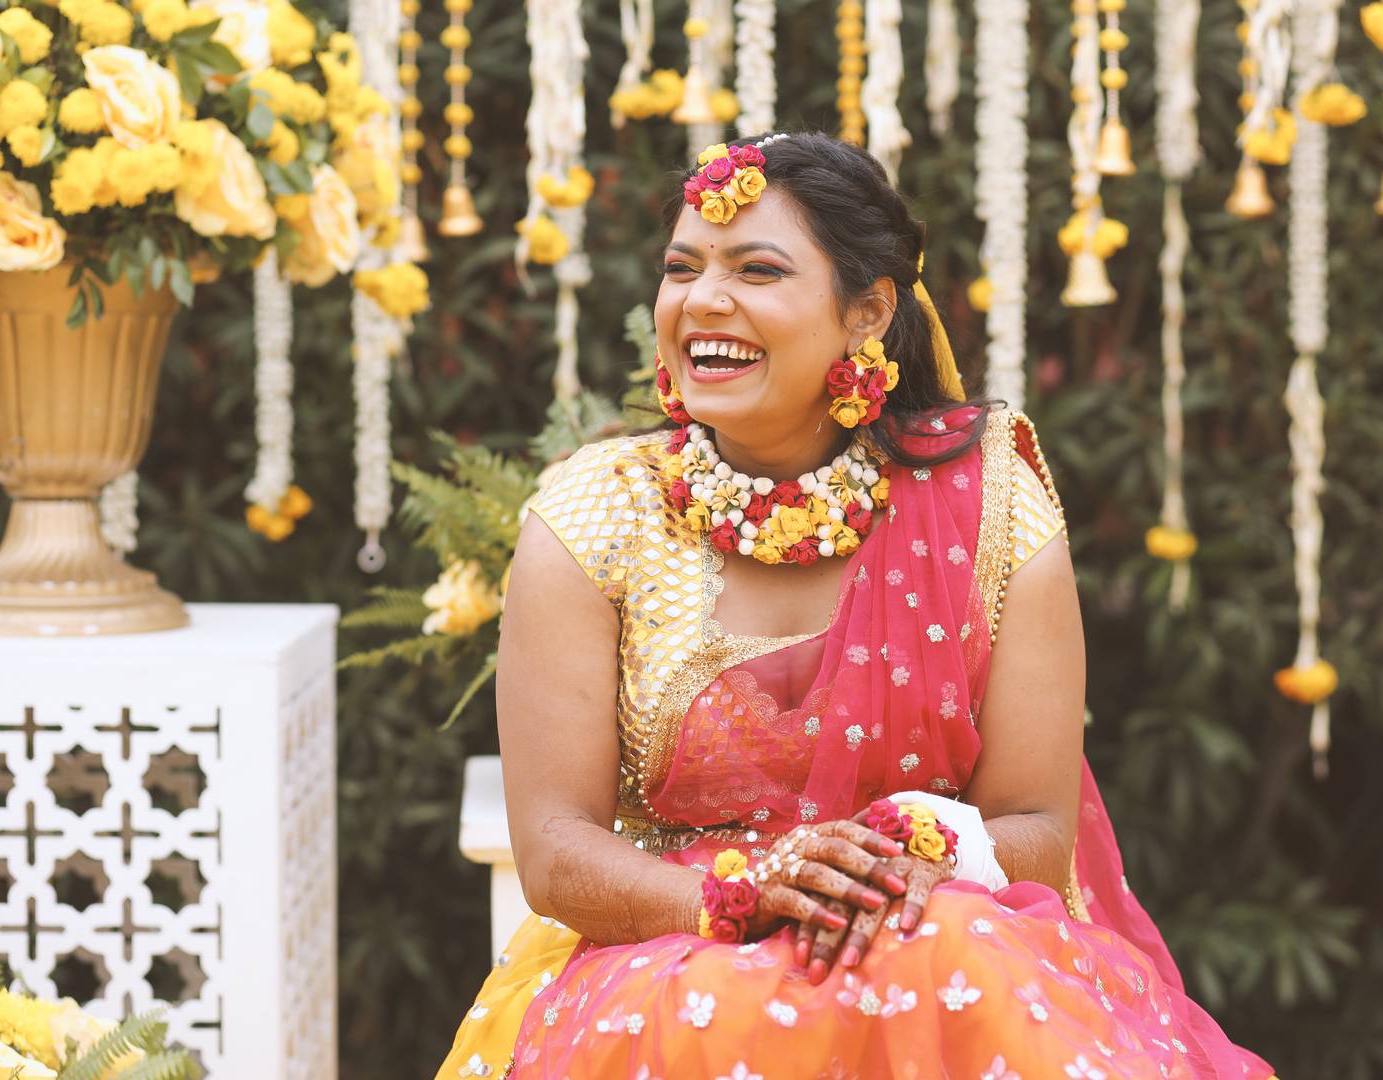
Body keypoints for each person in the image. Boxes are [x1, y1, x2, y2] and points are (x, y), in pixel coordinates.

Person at [435, 131, 1276, 1080]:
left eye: (757, 269)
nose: (702, 300)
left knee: (947, 953)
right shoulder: (599, 513)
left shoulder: (990, 502)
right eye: (682, 268)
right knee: (716, 1015)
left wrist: (907, 863)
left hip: (924, 933)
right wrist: (744, 895)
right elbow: (554, 851)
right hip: (670, 956)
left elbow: (1038, 826)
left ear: (868, 312)